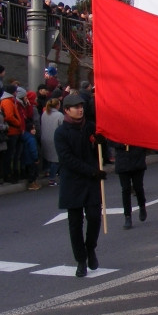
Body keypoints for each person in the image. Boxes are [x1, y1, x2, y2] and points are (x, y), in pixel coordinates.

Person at [55, 93, 106, 277]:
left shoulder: (90, 127)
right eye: (75, 107)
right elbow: (67, 159)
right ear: (67, 110)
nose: (80, 109)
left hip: (91, 182)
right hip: (73, 182)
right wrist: (92, 171)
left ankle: (90, 247)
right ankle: (81, 259)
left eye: (81, 106)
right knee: (75, 223)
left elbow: (100, 151)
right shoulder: (61, 133)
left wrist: (102, 143)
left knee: (94, 217)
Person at [114, 142, 148, 229]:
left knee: (138, 187)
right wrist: (122, 144)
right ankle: (127, 216)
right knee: (125, 189)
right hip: (122, 160)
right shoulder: (117, 128)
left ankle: (142, 205)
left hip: (137, 158)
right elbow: (111, 140)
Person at [40, 97, 64, 186]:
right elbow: (62, 127)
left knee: (47, 157)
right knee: (56, 159)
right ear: (57, 105)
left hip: (45, 137)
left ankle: (47, 172)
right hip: (54, 139)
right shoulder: (59, 115)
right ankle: (52, 178)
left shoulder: (44, 113)